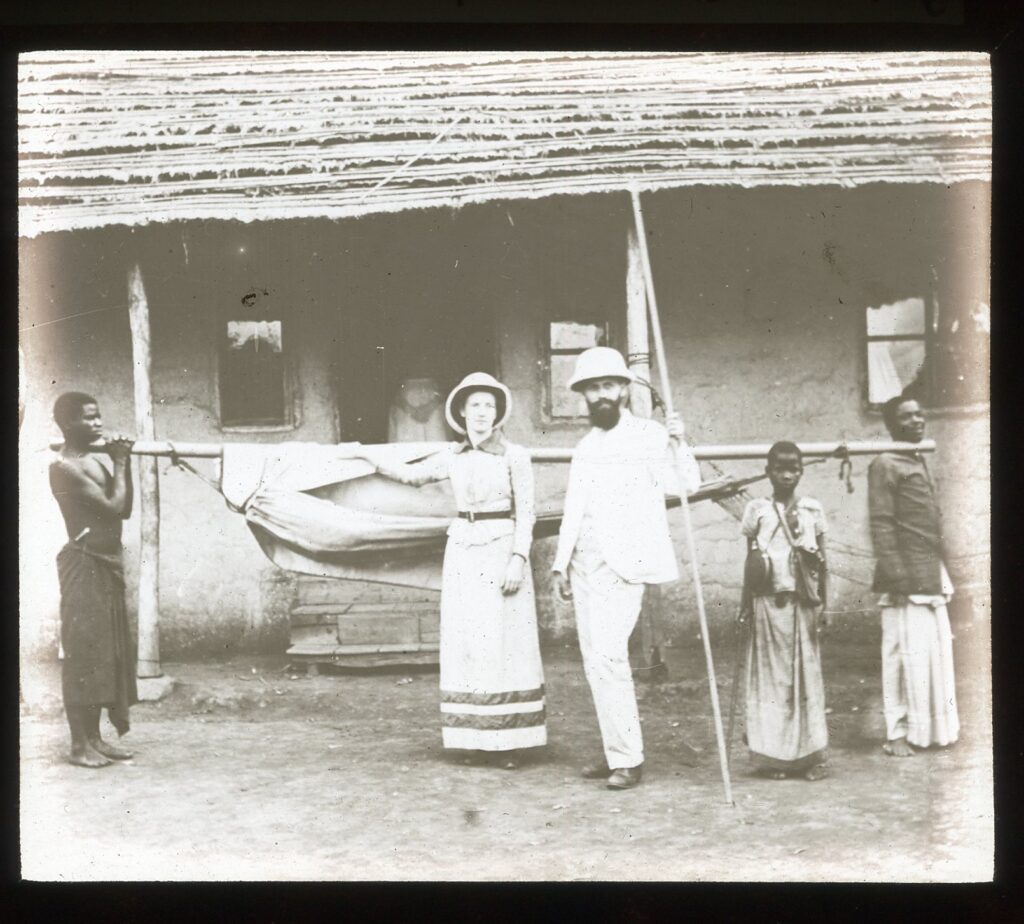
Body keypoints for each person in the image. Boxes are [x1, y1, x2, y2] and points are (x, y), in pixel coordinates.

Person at [358, 372, 545, 768]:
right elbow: (411, 475)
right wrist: (365, 455)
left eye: (489, 406)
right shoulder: (452, 456)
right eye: (475, 405)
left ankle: (511, 741)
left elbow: (527, 513)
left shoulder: (515, 455)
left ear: (498, 414)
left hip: (501, 550)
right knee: (469, 641)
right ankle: (475, 738)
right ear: (461, 410)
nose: (482, 413)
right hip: (463, 549)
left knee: (503, 643)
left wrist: (518, 558)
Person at [552, 347, 699, 790]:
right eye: (591, 388)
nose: (599, 395)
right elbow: (573, 508)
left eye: (606, 386)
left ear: (621, 389)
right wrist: (561, 563)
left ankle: (628, 759)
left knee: (611, 656)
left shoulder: (650, 435)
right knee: (596, 662)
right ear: (584, 394)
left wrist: (680, 440)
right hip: (585, 564)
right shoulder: (585, 446)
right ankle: (616, 749)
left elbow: (685, 484)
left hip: (624, 563)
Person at [48, 392, 137, 768]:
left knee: (105, 654)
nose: (98, 423)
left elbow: (125, 509)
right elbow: (114, 506)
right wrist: (119, 460)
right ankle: (78, 744)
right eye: (88, 418)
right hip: (84, 563)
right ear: (68, 424)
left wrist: (122, 464)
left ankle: (96, 738)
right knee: (83, 654)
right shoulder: (64, 467)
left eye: (99, 416)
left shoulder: (94, 463)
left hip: (106, 562)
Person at [868, 396, 959, 757]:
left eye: (920, 413)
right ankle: (898, 734)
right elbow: (881, 524)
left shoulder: (917, 459)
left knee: (932, 654)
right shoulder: (884, 464)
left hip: (929, 572)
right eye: (907, 417)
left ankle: (934, 731)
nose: (918, 420)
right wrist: (898, 577)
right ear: (892, 425)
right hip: (904, 579)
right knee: (902, 656)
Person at [738, 441, 830, 781]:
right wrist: (744, 605)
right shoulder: (757, 510)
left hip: (803, 604)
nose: (787, 474)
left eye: (794, 468)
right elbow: (750, 563)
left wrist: (825, 607)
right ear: (768, 472)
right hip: (766, 605)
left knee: (804, 680)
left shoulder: (812, 510)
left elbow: (823, 563)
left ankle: (808, 758)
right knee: (771, 684)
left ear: (802, 471)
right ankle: (773, 758)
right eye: (780, 468)